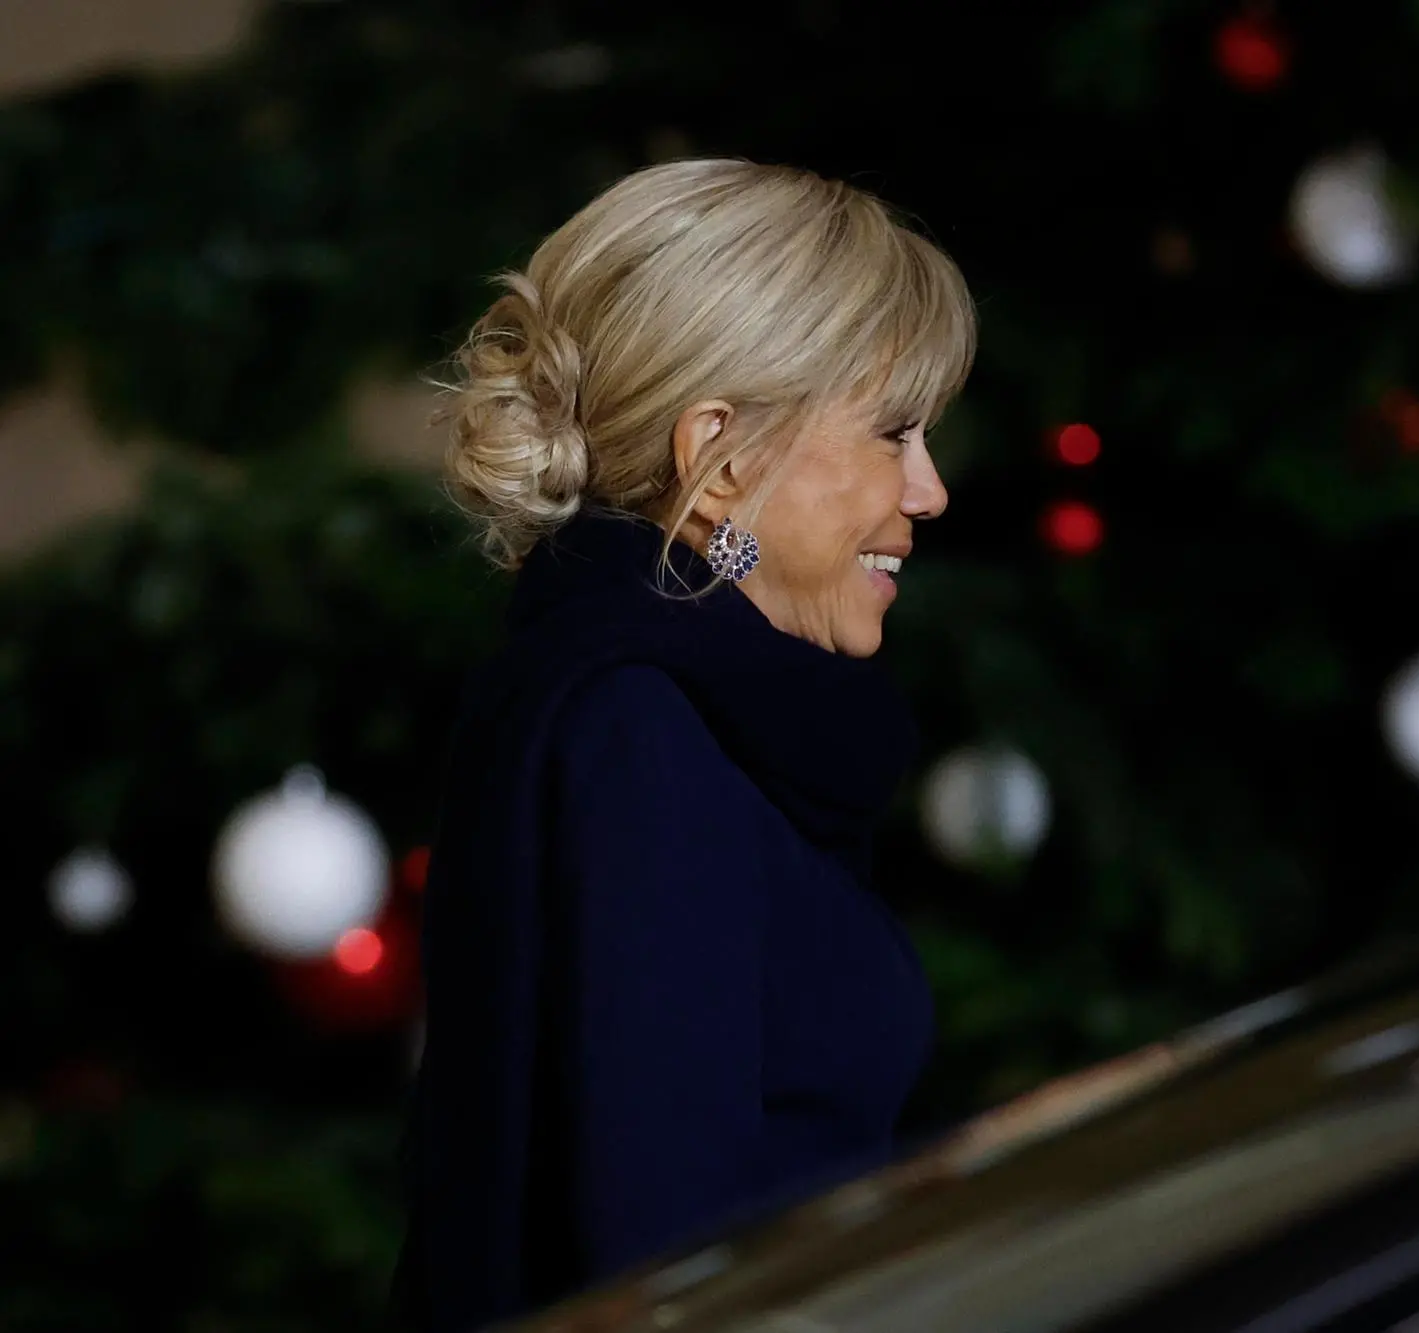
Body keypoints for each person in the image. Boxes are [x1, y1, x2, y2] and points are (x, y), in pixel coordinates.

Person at [392, 157, 977, 1333]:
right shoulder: (641, 734)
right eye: (893, 431)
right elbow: (676, 1264)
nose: (929, 491)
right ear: (719, 462)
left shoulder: (656, 703)